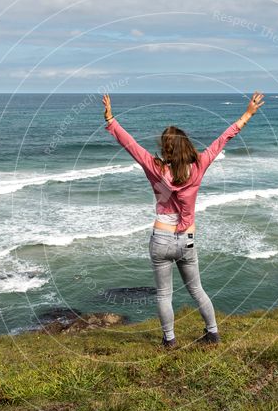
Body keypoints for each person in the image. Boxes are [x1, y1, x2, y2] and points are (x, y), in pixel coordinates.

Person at [101, 91, 265, 348]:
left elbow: (130, 145)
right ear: (186, 145)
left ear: (165, 149)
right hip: (186, 239)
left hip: (161, 238)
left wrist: (111, 119)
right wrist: (248, 114)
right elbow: (223, 139)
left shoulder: (155, 168)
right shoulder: (199, 166)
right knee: (197, 289)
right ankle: (212, 334)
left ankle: (170, 341)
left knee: (164, 294)